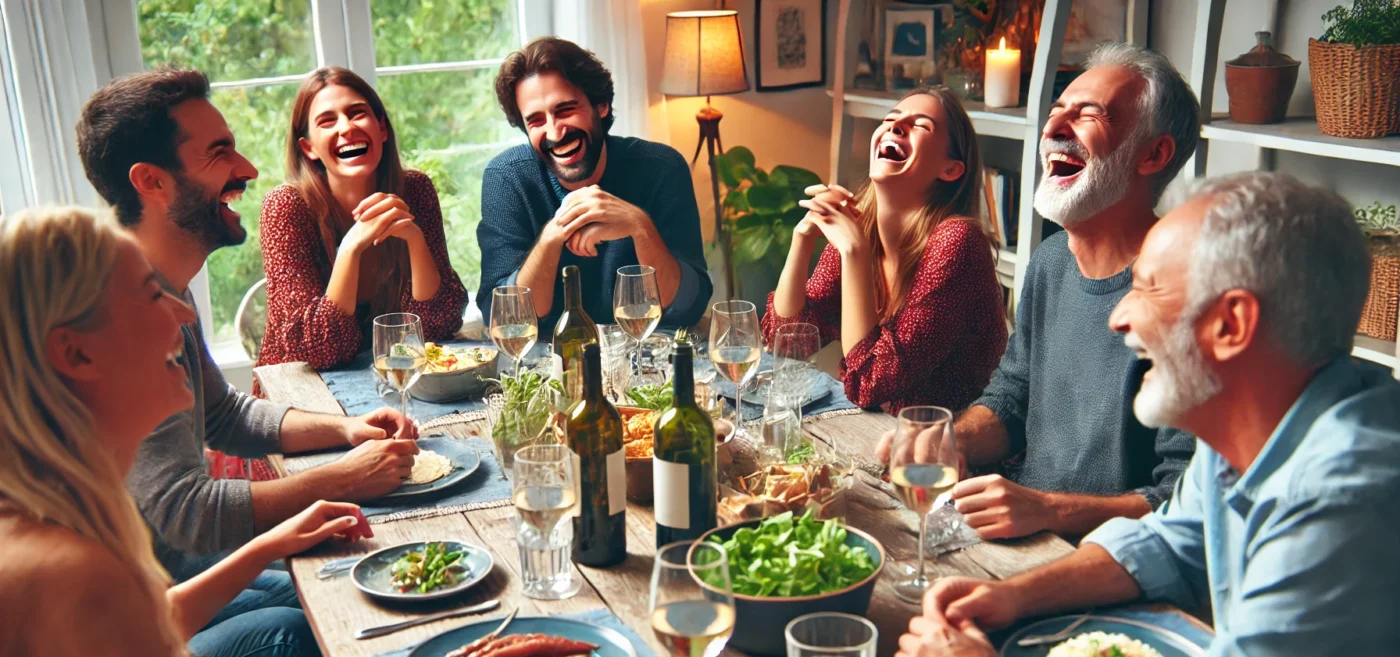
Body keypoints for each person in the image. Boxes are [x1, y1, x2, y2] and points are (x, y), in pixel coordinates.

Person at [0, 205, 687, 657]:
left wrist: (273, 542)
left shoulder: (51, 522)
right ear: (76, 354)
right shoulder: (70, 578)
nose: (184, 316)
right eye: (152, 297)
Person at [894, 172, 1400, 657]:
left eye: (1145, 288)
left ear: (1232, 324)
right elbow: (1165, 544)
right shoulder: (1252, 420)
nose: (1117, 318)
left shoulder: (1349, 505)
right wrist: (1011, 599)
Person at [76, 68, 423, 590]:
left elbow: (222, 413)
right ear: (152, 182)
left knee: (345, 584)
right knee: (329, 614)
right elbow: (187, 512)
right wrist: (345, 477)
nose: (249, 169)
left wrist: (345, 430)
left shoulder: (161, 281)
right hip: (144, 608)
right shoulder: (120, 311)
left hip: (186, 567)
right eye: (219, 153)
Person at [881, 43, 1198, 540]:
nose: (1053, 129)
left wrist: (1050, 510)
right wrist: (949, 440)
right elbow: (1013, 397)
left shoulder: (1190, 293)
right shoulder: (1050, 262)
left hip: (1106, 561)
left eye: (1089, 114)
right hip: (1016, 536)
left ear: (1153, 154)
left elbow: (1185, 498)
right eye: (1055, 113)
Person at [763, 85, 1007, 412]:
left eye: (921, 125)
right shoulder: (861, 225)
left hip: (953, 449)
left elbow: (868, 382)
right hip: (883, 434)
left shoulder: (957, 241)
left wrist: (855, 253)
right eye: (890, 119)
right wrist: (803, 237)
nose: (895, 126)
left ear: (950, 169)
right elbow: (788, 340)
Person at [478, 36, 711, 330]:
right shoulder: (507, 177)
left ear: (600, 105)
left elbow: (688, 306)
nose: (554, 131)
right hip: (548, 369)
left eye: (564, 110)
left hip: (647, 363)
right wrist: (553, 235)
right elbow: (504, 320)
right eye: (535, 121)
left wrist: (640, 226)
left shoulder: (661, 167)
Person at [257, 67, 467, 370]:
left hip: (393, 381)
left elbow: (438, 325)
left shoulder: (415, 190)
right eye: (328, 121)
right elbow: (316, 352)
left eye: (357, 113)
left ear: (381, 129)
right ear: (309, 148)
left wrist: (415, 239)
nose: (346, 128)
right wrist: (350, 248)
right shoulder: (285, 206)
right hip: (303, 398)